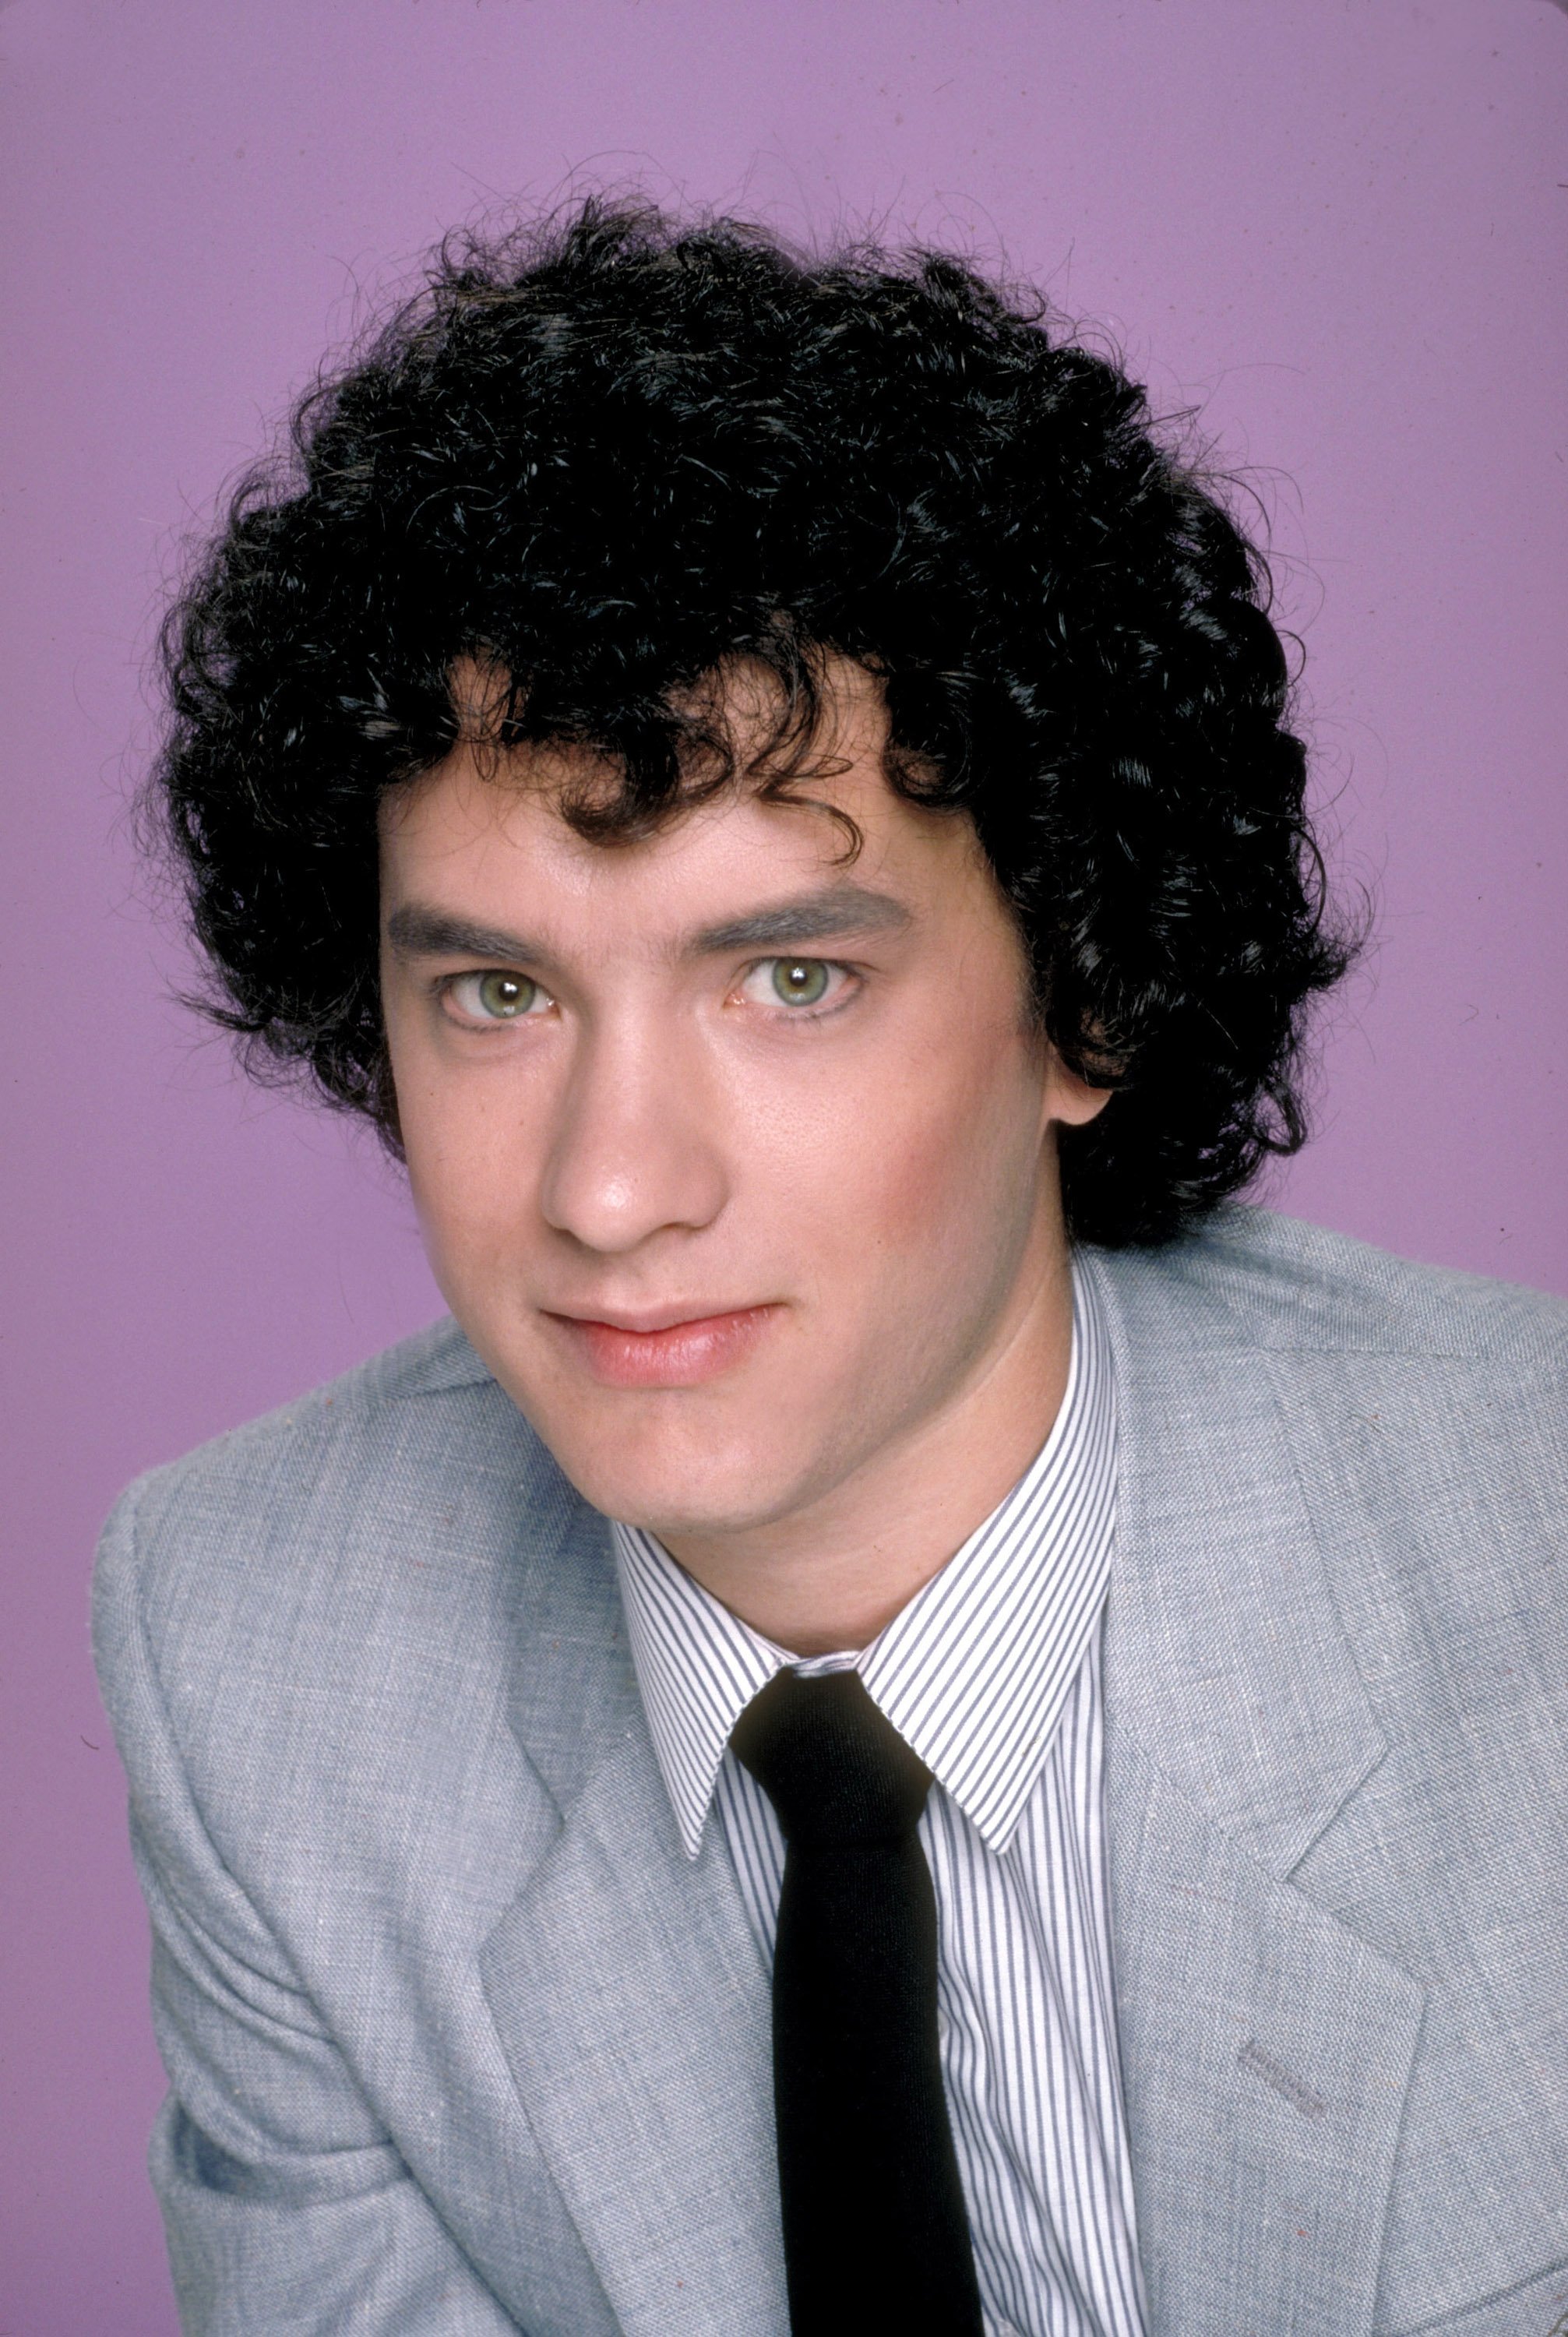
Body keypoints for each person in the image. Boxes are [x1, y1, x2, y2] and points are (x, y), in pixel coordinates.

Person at [94, 200, 1567, 2337]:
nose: (608, 1193)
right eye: (498, 994)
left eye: (790, 976)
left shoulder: (1534, 1555)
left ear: (1089, 991)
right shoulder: (255, 1660)